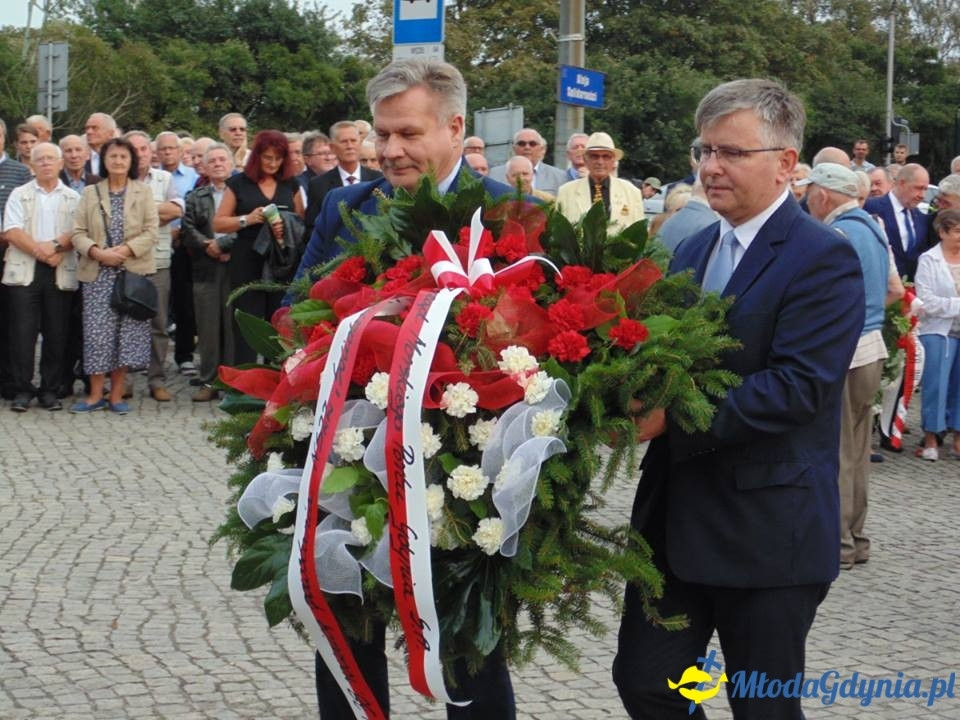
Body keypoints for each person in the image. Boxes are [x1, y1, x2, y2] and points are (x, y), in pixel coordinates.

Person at [613, 78, 864, 720]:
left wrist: (672, 415)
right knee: (649, 684)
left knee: (762, 708)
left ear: (785, 163)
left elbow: (799, 385)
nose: (710, 166)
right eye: (703, 150)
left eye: (730, 152)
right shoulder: (692, 248)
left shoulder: (822, 259)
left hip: (767, 532)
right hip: (675, 523)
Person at [292, 58, 519, 720]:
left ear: (454, 127)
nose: (391, 150)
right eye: (382, 134)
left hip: (464, 470)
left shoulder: (510, 213)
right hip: (348, 458)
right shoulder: (344, 207)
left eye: (408, 134)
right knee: (344, 636)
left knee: (469, 653)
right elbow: (293, 308)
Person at [801, 163, 890, 569]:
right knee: (856, 449)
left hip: (847, 352)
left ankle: (838, 545)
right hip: (873, 348)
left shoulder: (836, 234)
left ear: (822, 195)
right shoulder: (873, 228)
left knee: (837, 450)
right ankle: (857, 536)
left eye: (809, 193)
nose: (805, 201)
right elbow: (894, 290)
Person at [69, 137, 158, 414]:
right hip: (98, 275)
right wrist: (97, 252)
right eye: (113, 157)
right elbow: (77, 233)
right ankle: (96, 394)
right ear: (103, 161)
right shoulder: (90, 193)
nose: (118, 161)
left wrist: (126, 250)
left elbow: (151, 231)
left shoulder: (143, 192)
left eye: (123, 157)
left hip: (131, 272)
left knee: (127, 335)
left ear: (131, 161)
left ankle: (117, 396)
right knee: (98, 337)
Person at [213, 129, 304, 364]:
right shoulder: (239, 183)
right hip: (247, 258)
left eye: (278, 158)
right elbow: (219, 222)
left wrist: (287, 226)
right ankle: (245, 382)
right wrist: (247, 219)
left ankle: (275, 378)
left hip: (280, 261)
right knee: (247, 322)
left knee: (279, 320)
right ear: (257, 157)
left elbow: (301, 221)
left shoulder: (290, 184)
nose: (273, 163)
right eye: (267, 158)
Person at [2, 142, 81, 411]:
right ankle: (22, 389)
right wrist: (42, 252)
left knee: (56, 333)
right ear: (31, 165)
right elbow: (12, 230)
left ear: (60, 164)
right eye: (40, 159)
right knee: (21, 334)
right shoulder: (18, 194)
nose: (46, 163)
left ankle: (50, 389)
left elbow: (78, 230)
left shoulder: (73, 197)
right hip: (25, 270)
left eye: (51, 158)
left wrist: (57, 247)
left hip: (60, 270)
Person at [181, 143, 235, 402]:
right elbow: (187, 228)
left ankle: (234, 383)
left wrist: (225, 244)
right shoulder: (195, 196)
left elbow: (247, 224)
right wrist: (208, 245)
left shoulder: (242, 192)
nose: (217, 164)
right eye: (211, 160)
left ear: (231, 163)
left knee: (233, 326)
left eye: (222, 159)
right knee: (208, 328)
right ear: (203, 166)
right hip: (206, 267)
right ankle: (209, 380)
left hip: (237, 265)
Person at [914, 208, 960, 461]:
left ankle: (958, 440)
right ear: (942, 232)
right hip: (937, 331)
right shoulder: (929, 260)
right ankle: (931, 437)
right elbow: (926, 300)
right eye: (956, 232)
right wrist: (957, 305)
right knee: (935, 384)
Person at [304, 121, 381, 239]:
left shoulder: (379, 179)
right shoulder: (319, 185)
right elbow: (312, 229)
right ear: (332, 148)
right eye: (344, 142)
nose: (350, 146)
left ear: (360, 143)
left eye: (353, 141)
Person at [555, 132, 645, 234]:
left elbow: (639, 234)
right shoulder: (566, 192)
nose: (600, 162)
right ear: (585, 159)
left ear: (613, 160)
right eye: (594, 156)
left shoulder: (631, 192)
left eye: (606, 156)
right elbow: (558, 233)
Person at [864, 163, 931, 280]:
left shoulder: (920, 217)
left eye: (925, 189)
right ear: (901, 183)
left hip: (912, 290)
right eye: (918, 188)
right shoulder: (869, 208)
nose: (922, 195)